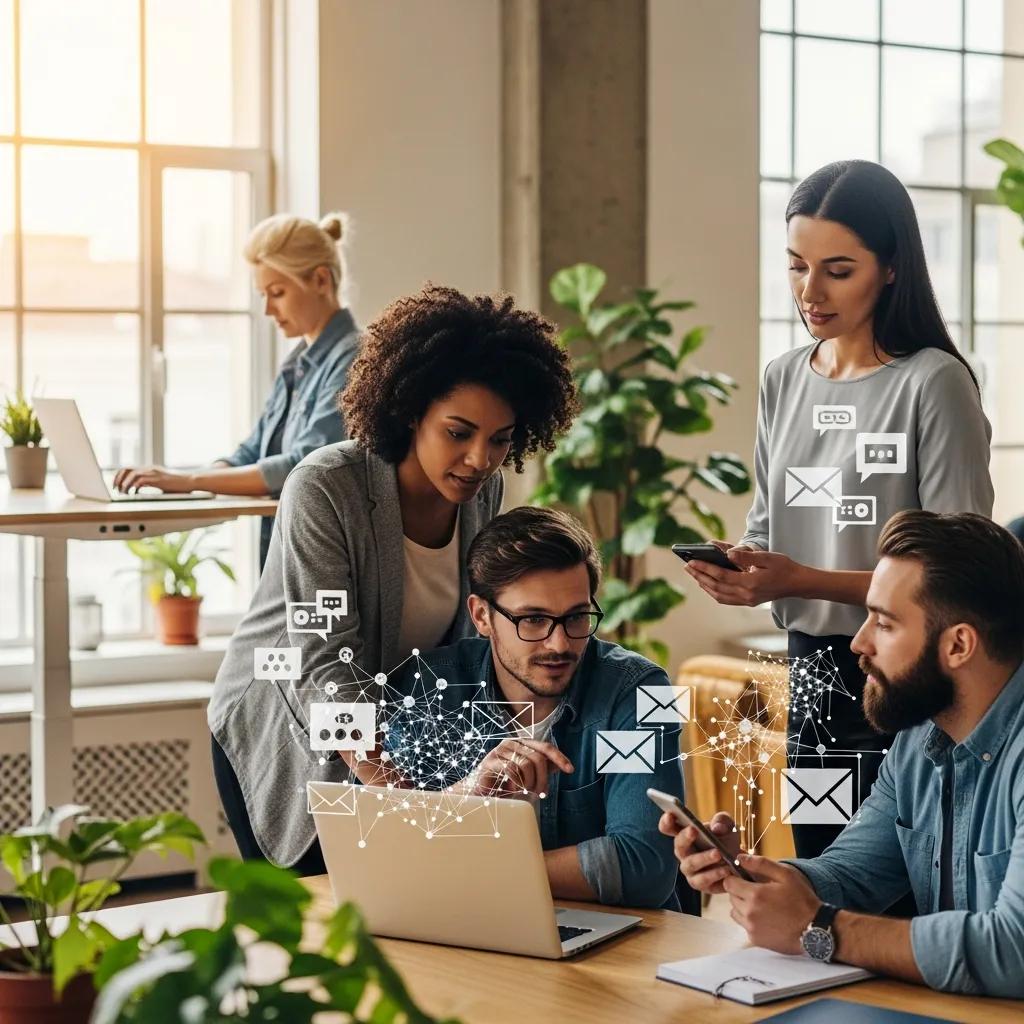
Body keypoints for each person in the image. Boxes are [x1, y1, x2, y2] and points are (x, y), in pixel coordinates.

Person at [207, 285, 578, 872]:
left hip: (391, 735)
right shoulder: (326, 488)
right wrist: (400, 797)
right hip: (287, 723)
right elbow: (323, 661)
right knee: (316, 910)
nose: (480, 459)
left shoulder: (483, 493)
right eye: (458, 433)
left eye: (500, 439)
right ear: (411, 411)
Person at [682, 160, 994, 860]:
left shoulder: (934, 383)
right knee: (822, 875)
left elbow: (957, 576)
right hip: (814, 679)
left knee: (901, 888)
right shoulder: (783, 378)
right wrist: (746, 567)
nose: (809, 292)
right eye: (797, 266)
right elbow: (767, 525)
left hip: (908, 682)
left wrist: (800, 579)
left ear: (891, 268)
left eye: (838, 270)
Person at [665, 510, 1024, 997]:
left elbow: (1013, 952)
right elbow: (851, 874)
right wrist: (750, 872)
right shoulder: (919, 736)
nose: (859, 642)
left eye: (885, 624)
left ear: (958, 644)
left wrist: (820, 928)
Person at [364, 506, 687, 909]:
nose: (560, 644)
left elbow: (643, 867)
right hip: (460, 922)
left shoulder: (640, 690)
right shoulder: (427, 688)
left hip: (617, 936)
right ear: (482, 616)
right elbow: (384, 849)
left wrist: (465, 866)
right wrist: (469, 794)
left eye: (576, 617)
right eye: (533, 619)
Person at [114, 212, 360, 569]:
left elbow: (304, 467)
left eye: (277, 293)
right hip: (287, 554)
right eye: (263, 295)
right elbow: (251, 451)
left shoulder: (353, 359)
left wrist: (189, 481)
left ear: (321, 280)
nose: (267, 309)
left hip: (324, 558)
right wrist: (193, 480)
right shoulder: (297, 364)